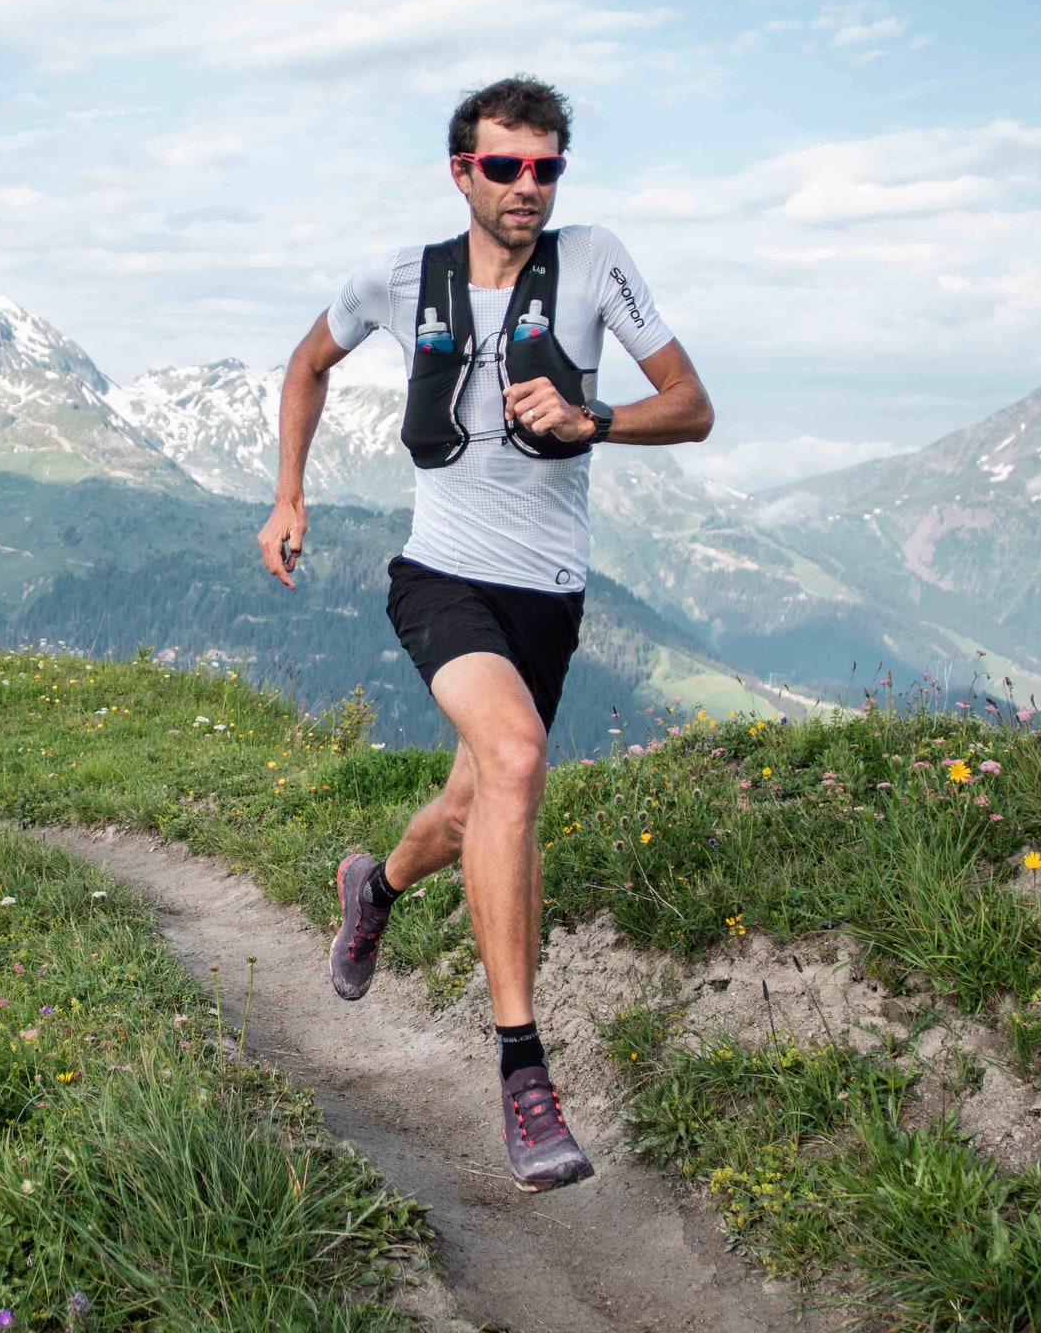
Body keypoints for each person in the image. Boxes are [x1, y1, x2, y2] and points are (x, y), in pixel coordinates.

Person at [256, 76, 713, 1193]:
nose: (527, 187)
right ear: (461, 171)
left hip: (546, 597)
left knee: (472, 806)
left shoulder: (595, 261)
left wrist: (591, 414)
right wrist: (289, 497)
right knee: (513, 760)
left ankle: (375, 886)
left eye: (546, 167)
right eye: (504, 167)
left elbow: (691, 405)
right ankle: (522, 1072)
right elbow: (307, 363)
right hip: (439, 580)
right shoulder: (397, 278)